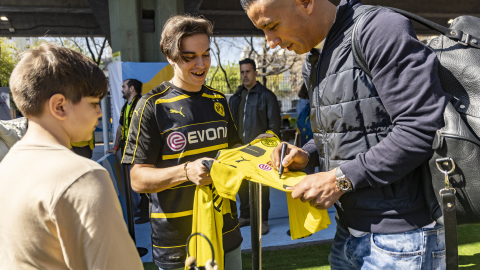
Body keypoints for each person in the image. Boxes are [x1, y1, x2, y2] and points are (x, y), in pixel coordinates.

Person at [243, 0, 447, 269]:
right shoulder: (313, 59)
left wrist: (339, 180)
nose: (269, 41)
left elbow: (420, 128)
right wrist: (307, 154)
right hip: (347, 231)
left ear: (305, 2)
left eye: (271, 26)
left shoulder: (379, 28)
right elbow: (340, 132)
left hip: (402, 238)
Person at [0, 42, 143, 269]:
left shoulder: (8, 165)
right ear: (59, 106)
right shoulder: (83, 177)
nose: (99, 113)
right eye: (94, 103)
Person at [122, 15, 243, 270]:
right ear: (170, 56)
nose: (201, 64)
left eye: (206, 54)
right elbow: (137, 180)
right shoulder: (152, 105)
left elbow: (235, 155)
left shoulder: (219, 100)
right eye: (189, 57)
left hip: (226, 230)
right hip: (178, 243)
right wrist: (186, 171)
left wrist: (262, 149)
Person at [228, 57, 281, 235]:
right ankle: (245, 215)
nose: (244, 75)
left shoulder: (267, 96)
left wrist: (267, 147)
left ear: (255, 73)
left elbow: (274, 127)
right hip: (240, 149)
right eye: (242, 72)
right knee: (241, 184)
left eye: (248, 71)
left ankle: (262, 219)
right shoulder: (236, 97)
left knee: (261, 185)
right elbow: (230, 124)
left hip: (259, 150)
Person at [106, 78, 149, 224]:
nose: (121, 89)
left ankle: (147, 210)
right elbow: (120, 128)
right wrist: (116, 147)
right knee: (134, 179)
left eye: (124, 86)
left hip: (139, 148)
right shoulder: (126, 106)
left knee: (141, 178)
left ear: (131, 89)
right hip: (127, 147)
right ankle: (143, 209)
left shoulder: (141, 104)